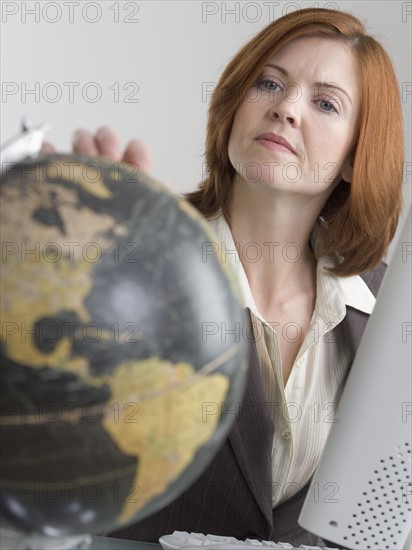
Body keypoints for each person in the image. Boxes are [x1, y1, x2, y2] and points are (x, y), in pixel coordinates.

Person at [43, 7, 404, 547]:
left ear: (355, 157)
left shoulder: (384, 304)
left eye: (325, 103)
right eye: (269, 83)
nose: (285, 109)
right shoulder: (142, 254)